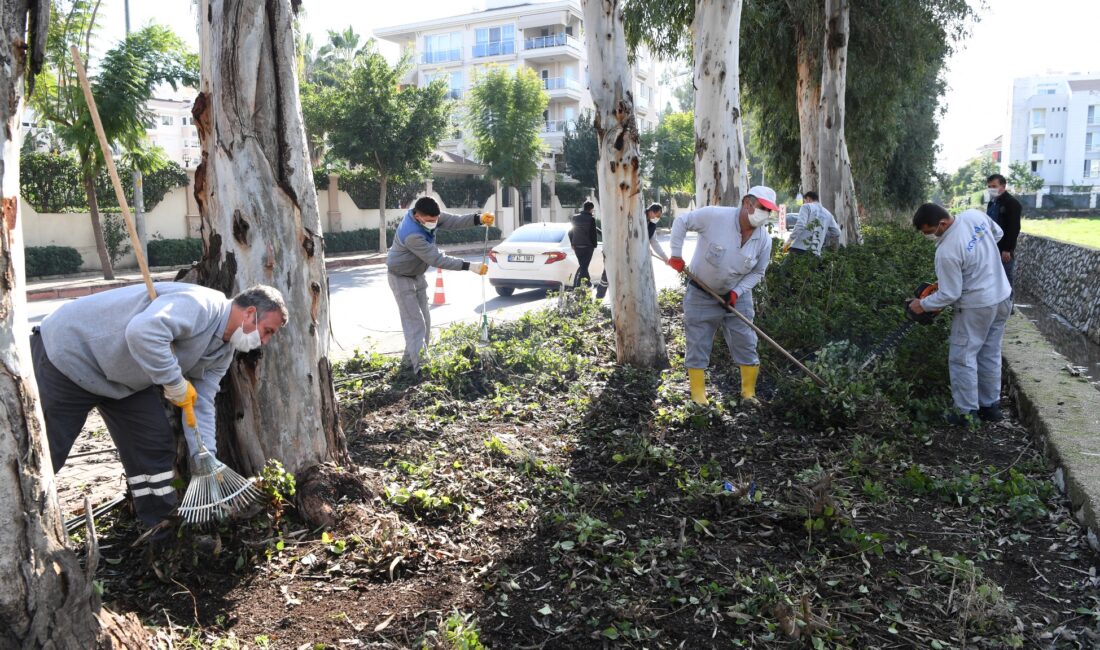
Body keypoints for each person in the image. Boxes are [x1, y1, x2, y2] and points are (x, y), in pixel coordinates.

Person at [31, 283, 288, 530]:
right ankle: (22, 521)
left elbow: (201, 401)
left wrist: (203, 452)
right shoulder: (200, 305)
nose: (264, 341)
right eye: (267, 331)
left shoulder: (223, 352)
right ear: (250, 313)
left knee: (153, 444)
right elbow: (141, 332)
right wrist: (175, 382)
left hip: (122, 381)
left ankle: (160, 529)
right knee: (46, 451)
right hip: (70, 356)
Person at [668, 186, 778, 406]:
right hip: (701, 292)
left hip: (737, 296)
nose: (765, 214)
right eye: (762, 208)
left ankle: (748, 394)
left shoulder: (763, 240)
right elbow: (682, 222)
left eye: (769, 211)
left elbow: (758, 272)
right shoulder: (714, 216)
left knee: (746, 341)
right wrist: (676, 255)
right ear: (747, 203)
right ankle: (699, 397)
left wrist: (737, 292)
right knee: (698, 341)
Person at [909, 203, 1013, 426]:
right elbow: (998, 233)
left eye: (929, 232)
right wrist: (976, 261)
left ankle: (966, 413)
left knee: (963, 356)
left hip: (977, 306)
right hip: (1002, 295)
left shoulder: (946, 251)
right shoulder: (974, 216)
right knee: (990, 352)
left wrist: (923, 305)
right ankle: (990, 406)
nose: (929, 236)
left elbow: (950, 293)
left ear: (942, 224)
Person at [386, 196, 494, 376]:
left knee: (425, 322)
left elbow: (453, 221)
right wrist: (470, 266)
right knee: (415, 322)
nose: (434, 223)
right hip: (400, 277)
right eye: (429, 220)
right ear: (418, 216)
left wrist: (479, 219)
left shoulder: (430, 215)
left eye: (435, 219)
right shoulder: (412, 235)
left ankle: (408, 364)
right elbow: (437, 259)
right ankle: (421, 369)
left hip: (416, 273)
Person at [985, 173, 1022, 286]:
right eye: (989, 187)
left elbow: (1014, 228)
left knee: (1005, 279)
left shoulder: (1012, 203)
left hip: (1003, 250)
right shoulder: (992, 203)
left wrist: (1007, 249)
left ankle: (1008, 302)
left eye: (994, 186)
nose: (991, 189)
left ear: (1003, 186)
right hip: (991, 248)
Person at [784, 191, 841, 256]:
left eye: (804, 201)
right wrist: (822, 234)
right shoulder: (828, 214)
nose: (804, 202)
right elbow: (837, 232)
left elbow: (800, 225)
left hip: (799, 248)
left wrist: (789, 240)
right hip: (815, 252)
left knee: (787, 266)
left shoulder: (806, 206)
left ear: (808, 199)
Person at [569, 200, 599, 289]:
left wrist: (572, 243)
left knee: (583, 266)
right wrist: (594, 245)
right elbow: (593, 233)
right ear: (591, 209)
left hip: (577, 246)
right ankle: (578, 285)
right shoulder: (591, 219)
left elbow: (570, 232)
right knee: (584, 266)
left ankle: (587, 283)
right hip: (587, 247)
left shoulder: (575, 218)